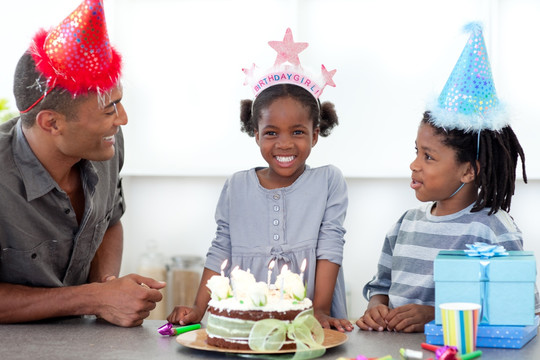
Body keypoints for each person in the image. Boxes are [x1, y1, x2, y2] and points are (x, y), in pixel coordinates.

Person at [357, 23, 540, 333]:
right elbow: (381, 285)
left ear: (468, 170)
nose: (414, 165)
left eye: (428, 156)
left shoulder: (492, 229)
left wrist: (435, 315)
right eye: (416, 152)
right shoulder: (405, 224)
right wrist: (376, 306)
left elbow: (521, 308)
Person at [167, 28, 353, 332]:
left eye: (297, 132)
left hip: (309, 319)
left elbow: (330, 247)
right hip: (247, 318)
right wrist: (198, 309)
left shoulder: (328, 181)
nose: (284, 144)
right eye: (271, 133)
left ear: (315, 135)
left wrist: (319, 309)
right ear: (256, 134)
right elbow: (220, 250)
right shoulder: (236, 186)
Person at [0, 0, 164, 327]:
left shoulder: (106, 145)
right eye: (109, 110)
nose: (123, 119)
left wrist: (107, 286)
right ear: (51, 123)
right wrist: (93, 298)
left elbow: (110, 221)